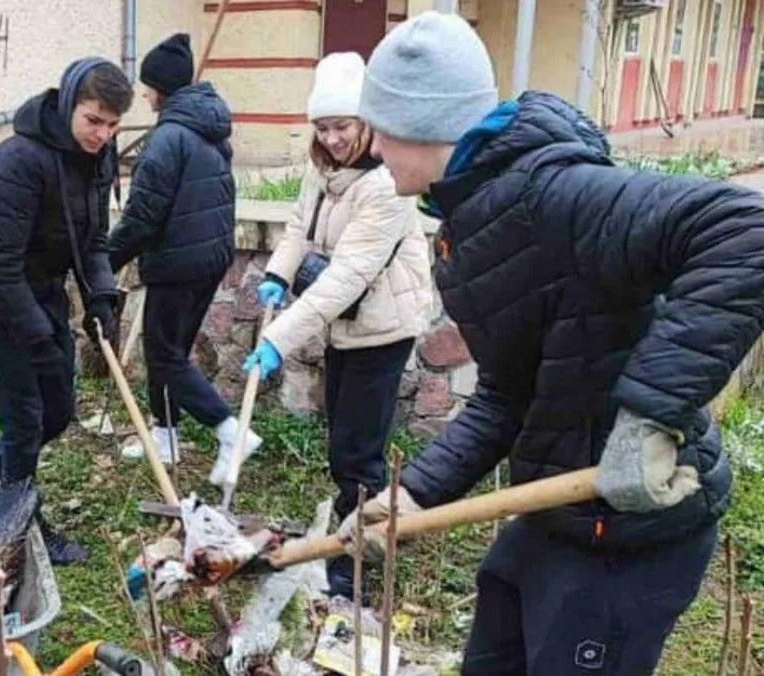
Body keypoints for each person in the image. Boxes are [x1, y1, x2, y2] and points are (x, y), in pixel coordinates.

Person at [341, 12, 764, 674]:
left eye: (380, 129)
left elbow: (744, 232)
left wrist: (649, 417)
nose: (372, 150)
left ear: (420, 124)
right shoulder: (470, 223)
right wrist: (413, 495)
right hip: (554, 512)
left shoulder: (558, 194)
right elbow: (509, 394)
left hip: (627, 530)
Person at [242, 52, 434, 599]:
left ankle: (357, 562)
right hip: (345, 324)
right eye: (322, 127)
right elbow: (299, 227)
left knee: (358, 450)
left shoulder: (386, 185)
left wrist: (278, 339)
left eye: (342, 126)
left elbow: (346, 277)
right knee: (342, 440)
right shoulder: (322, 168)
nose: (331, 138)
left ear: (367, 121)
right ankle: (357, 524)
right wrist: (278, 273)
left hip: (380, 327)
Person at [0, 57, 132, 565]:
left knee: (57, 409)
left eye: (113, 124)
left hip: (42, 287)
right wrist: (34, 334)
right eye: (93, 120)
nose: (102, 134)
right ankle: (21, 525)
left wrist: (101, 298)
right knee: (26, 417)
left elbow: (93, 240)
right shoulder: (19, 159)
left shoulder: (98, 156)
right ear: (69, 102)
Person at [106, 33, 260, 482]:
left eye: (148, 86)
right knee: (169, 349)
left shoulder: (168, 137)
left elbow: (142, 216)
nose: (145, 94)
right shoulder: (207, 131)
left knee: (165, 355)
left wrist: (106, 260)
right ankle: (166, 437)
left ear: (161, 88)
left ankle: (230, 430)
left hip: (178, 262)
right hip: (210, 259)